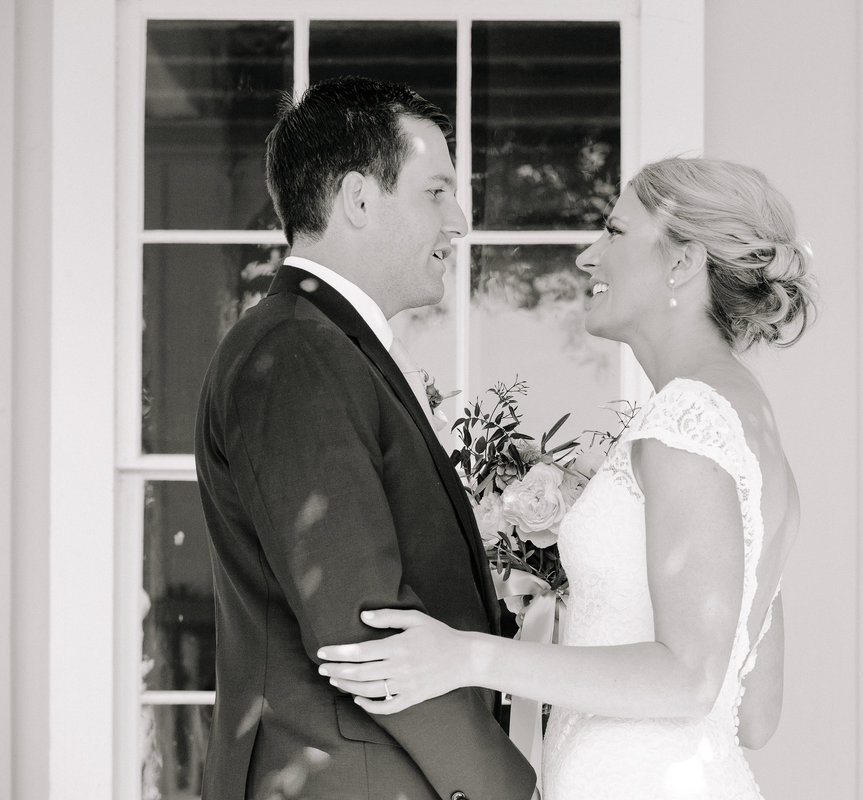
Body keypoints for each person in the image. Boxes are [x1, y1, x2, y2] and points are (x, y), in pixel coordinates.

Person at [318, 156, 816, 799]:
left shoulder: (686, 422)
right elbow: (754, 715)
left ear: (683, 262)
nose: (587, 257)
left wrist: (464, 655)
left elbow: (689, 678)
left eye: (613, 232)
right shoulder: (745, 428)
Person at [193, 76, 536, 800]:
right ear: (357, 198)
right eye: (437, 193)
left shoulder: (324, 346)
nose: (461, 221)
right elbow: (364, 625)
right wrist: (507, 783)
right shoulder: (295, 353)